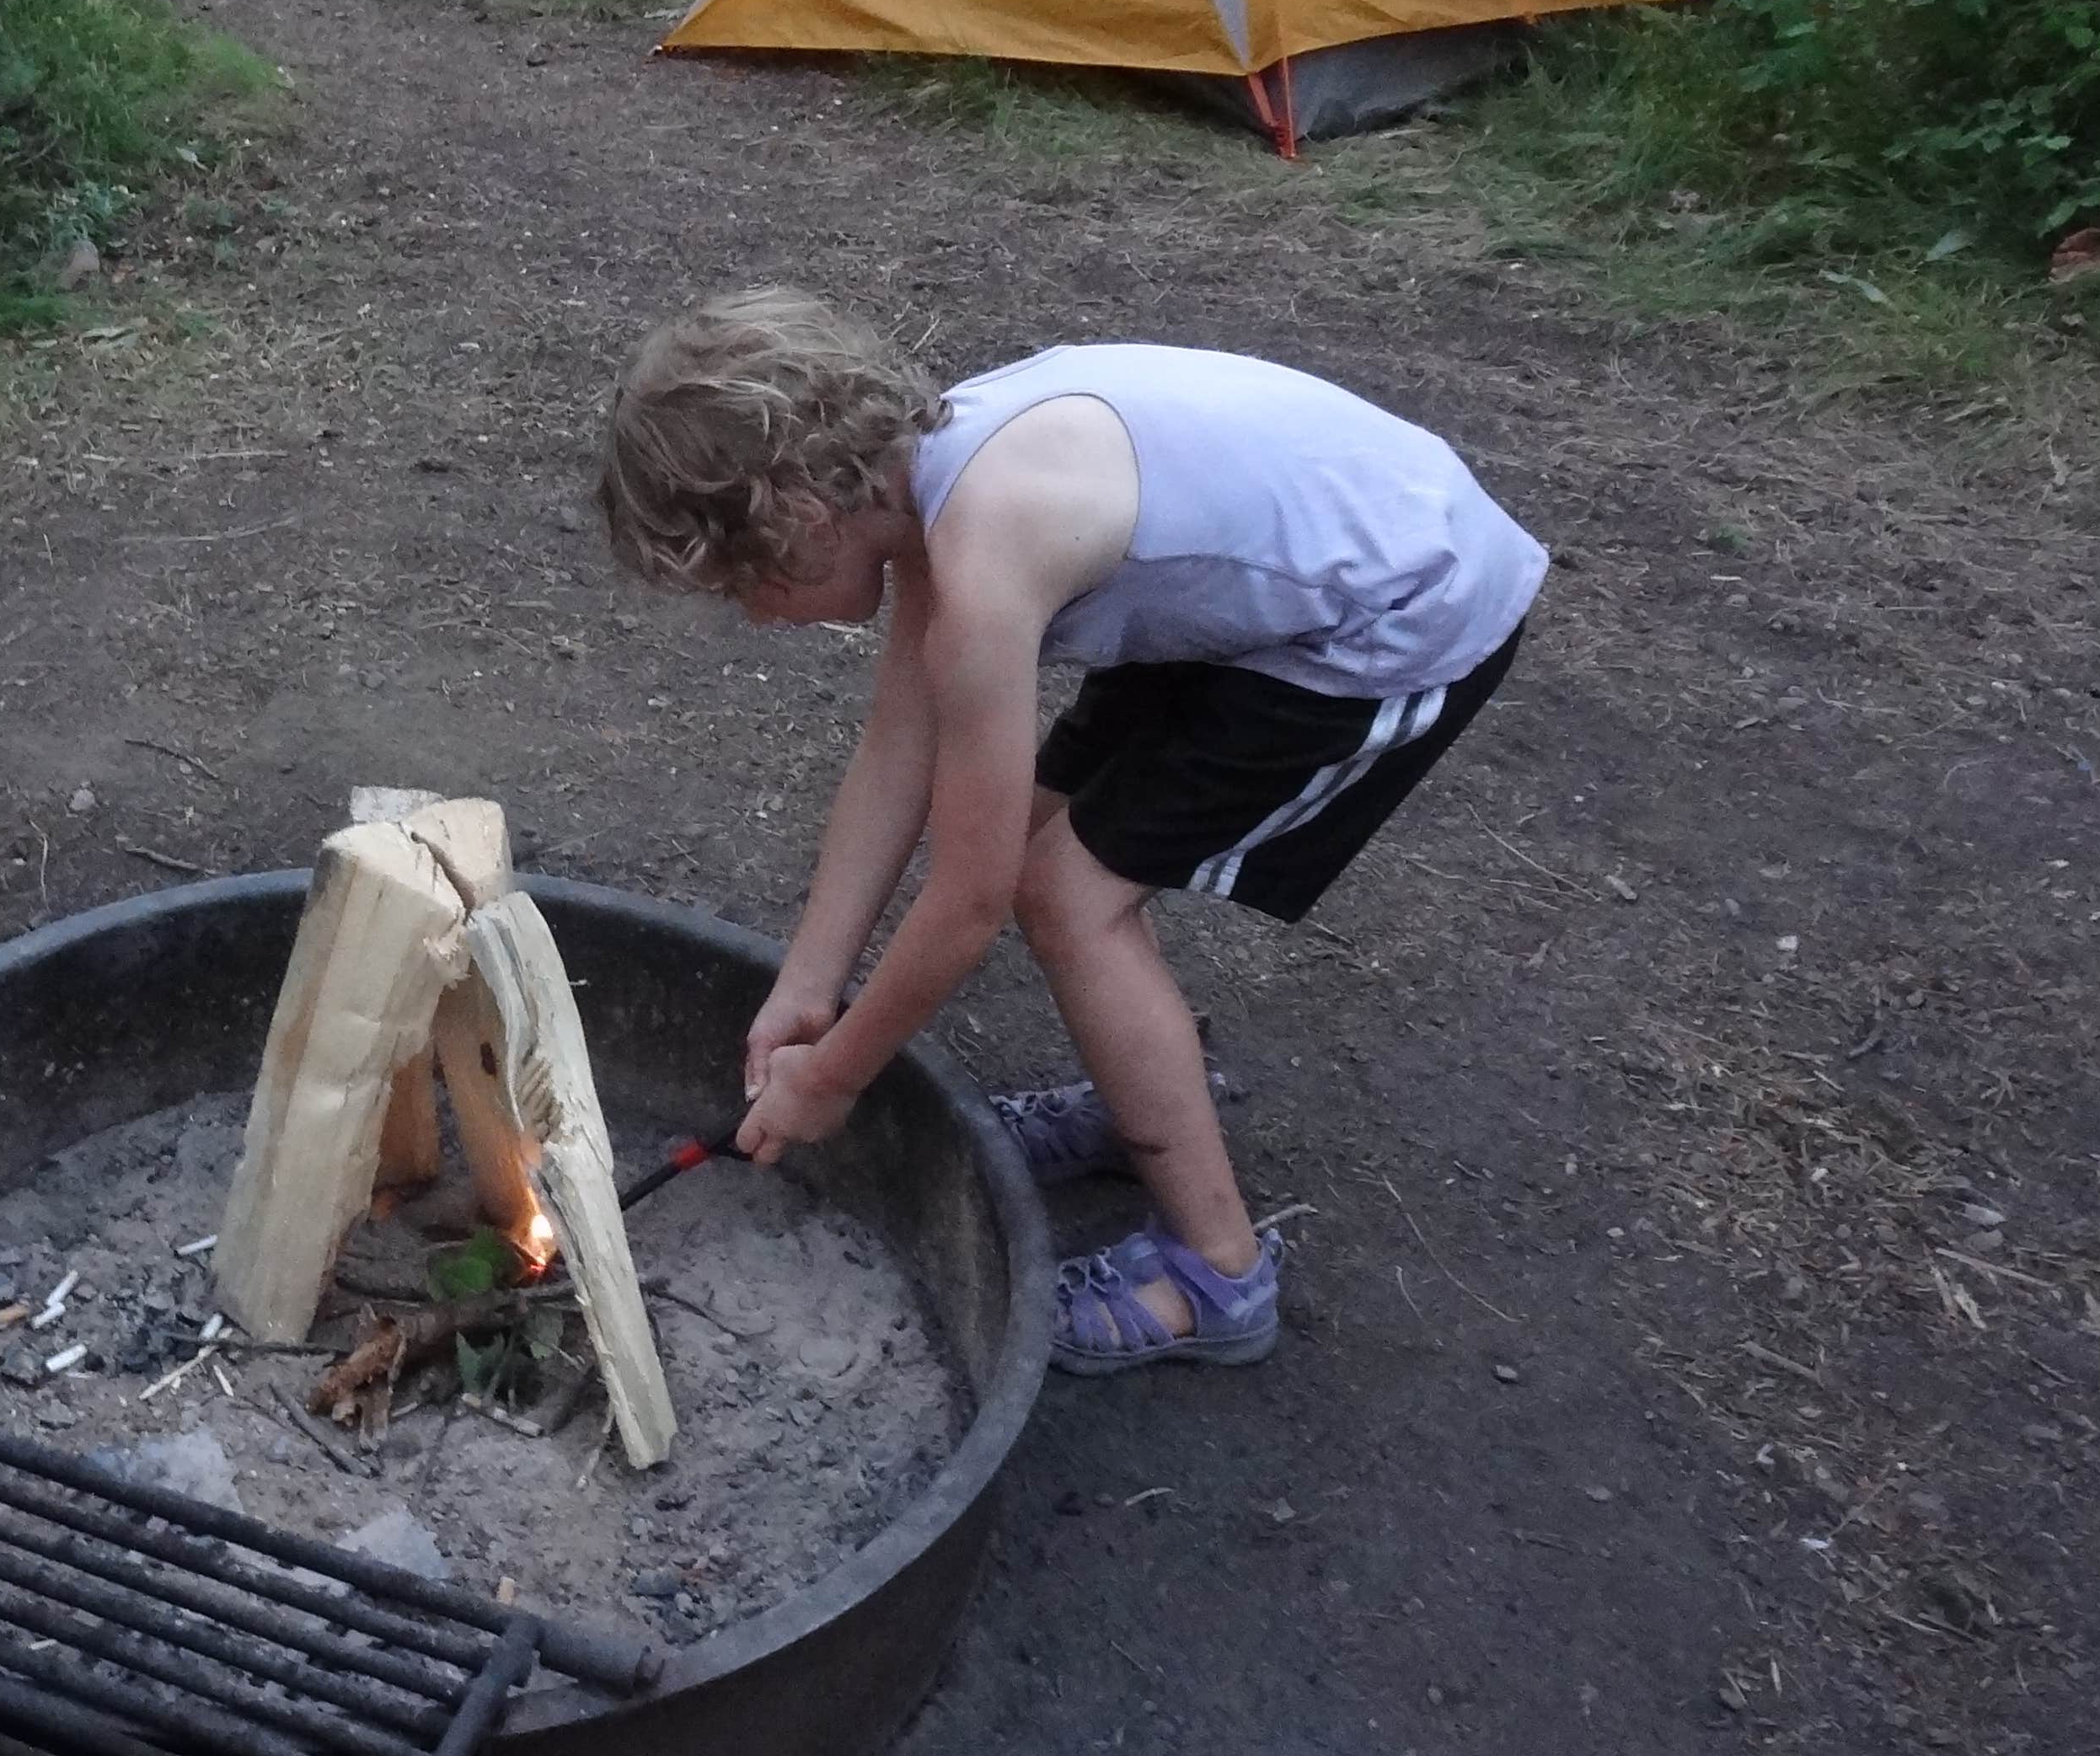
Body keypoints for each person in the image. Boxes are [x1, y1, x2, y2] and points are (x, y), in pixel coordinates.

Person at [597, 286, 1543, 1374]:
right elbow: (895, 754)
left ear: (803, 523)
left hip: (1401, 606)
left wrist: (839, 1074)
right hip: (1268, 590)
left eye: (743, 587)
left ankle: (1218, 1272)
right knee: (1044, 832)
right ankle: (1141, 1091)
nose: (756, 617)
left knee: (1065, 892)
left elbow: (969, 905)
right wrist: (808, 982)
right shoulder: (930, 486)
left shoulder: (986, 561)